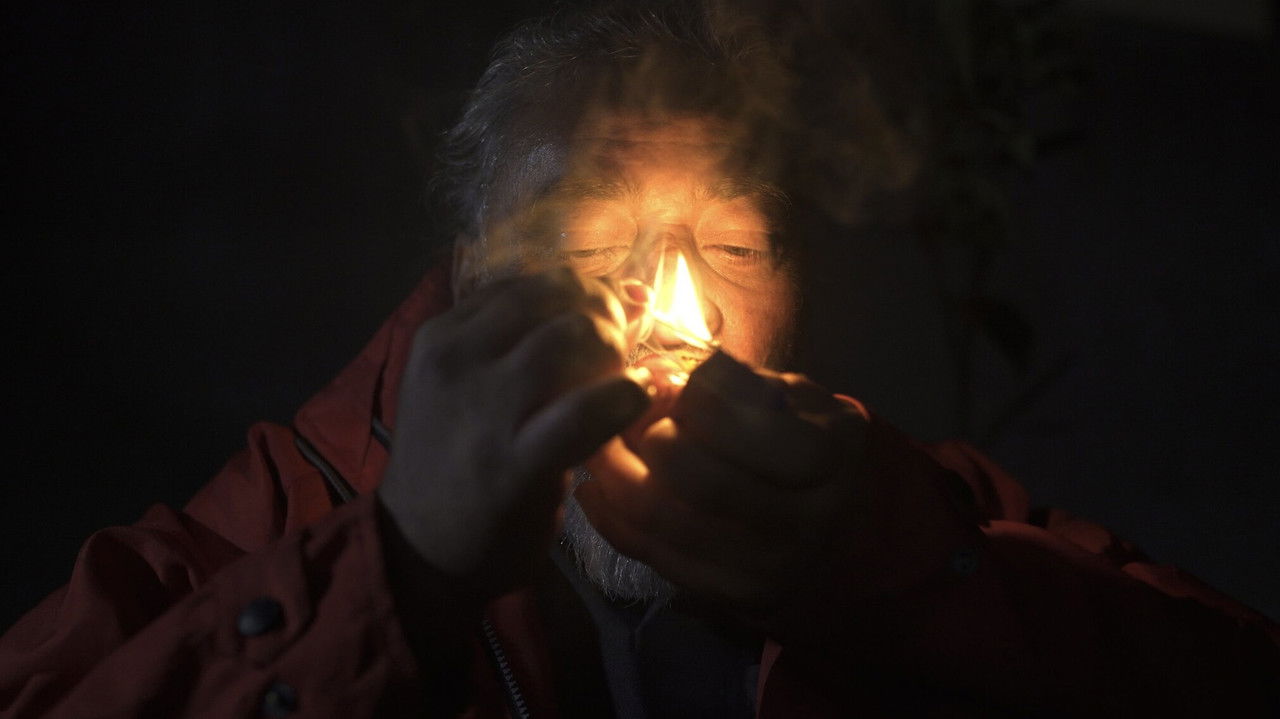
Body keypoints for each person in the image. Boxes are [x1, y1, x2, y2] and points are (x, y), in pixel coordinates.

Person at [2, 2, 1276, 717]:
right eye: (578, 235)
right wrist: (396, 569)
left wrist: (899, 578)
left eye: (724, 240)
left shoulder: (912, 515)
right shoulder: (290, 511)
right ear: (470, 272)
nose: (660, 306)